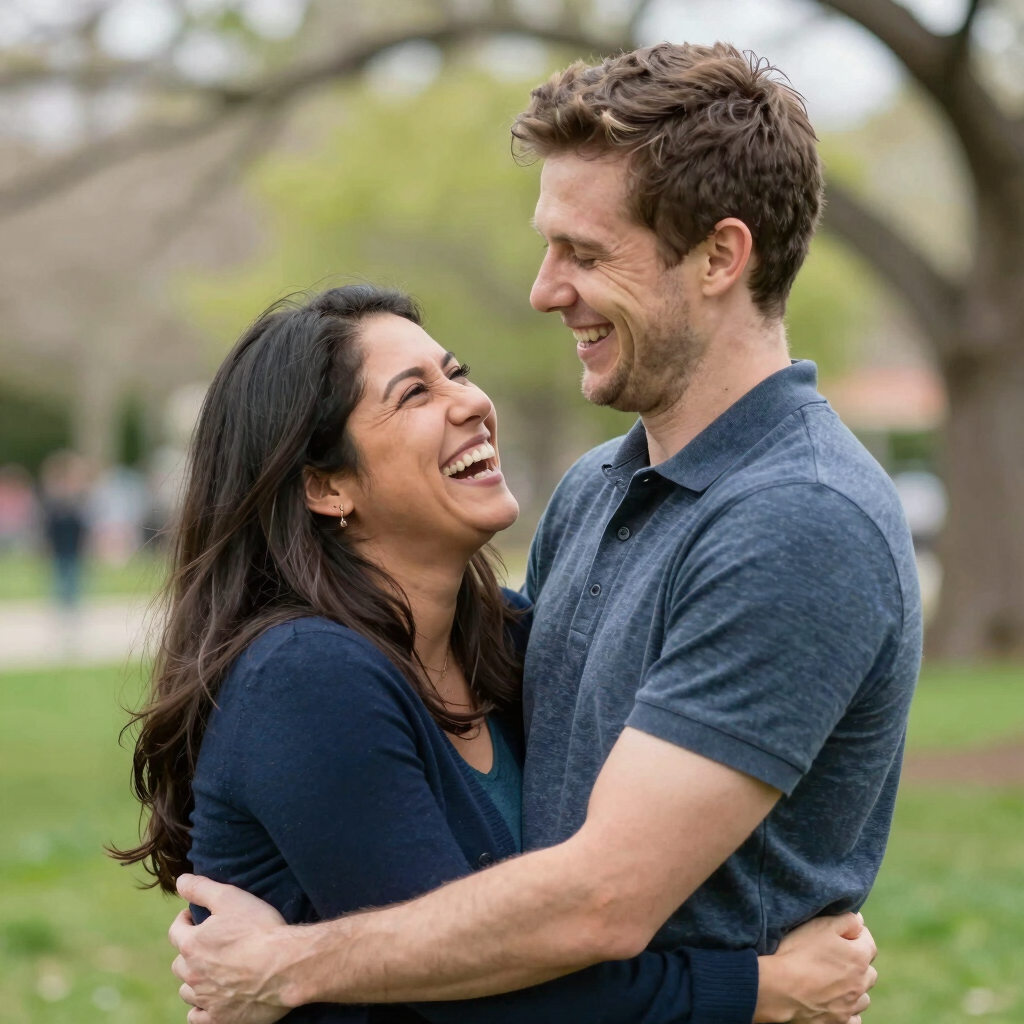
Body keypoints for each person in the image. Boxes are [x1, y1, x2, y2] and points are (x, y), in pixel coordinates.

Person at [169, 42, 920, 1024]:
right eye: (547, 244)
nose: (543, 288)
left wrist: (290, 964)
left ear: (718, 257)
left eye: (586, 252)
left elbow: (599, 902)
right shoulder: (594, 493)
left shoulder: (798, 520)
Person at [117, 283, 875, 1024]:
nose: (471, 403)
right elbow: (472, 989)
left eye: (457, 373)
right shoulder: (305, 676)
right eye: (414, 394)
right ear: (326, 486)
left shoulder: (508, 644)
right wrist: (762, 991)